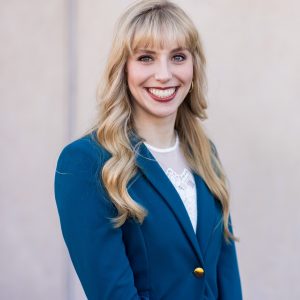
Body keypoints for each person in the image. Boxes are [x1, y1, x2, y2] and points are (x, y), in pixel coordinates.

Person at [54, 0, 242, 299]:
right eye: (146, 58)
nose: (165, 74)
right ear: (123, 68)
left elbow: (227, 280)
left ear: (194, 66)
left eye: (178, 56)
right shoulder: (86, 163)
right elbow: (111, 292)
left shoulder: (206, 154)